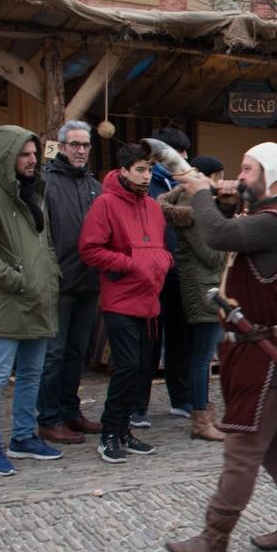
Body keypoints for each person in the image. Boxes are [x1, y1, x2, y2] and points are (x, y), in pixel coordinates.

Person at [166, 142, 277, 552]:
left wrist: (200, 189)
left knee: (242, 447)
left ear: (270, 174)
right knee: (275, 445)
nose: (241, 175)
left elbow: (218, 235)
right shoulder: (274, 217)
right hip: (261, 347)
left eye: (248, 170)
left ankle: (214, 537)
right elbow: (232, 230)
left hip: (266, 351)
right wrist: (227, 202)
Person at [0, 125, 63, 476]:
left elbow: (43, 243)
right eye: (24, 154)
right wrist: (16, 280)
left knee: (32, 373)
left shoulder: (33, 193)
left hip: (36, 298)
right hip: (7, 300)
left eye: (35, 153)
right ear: (7, 157)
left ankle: (23, 437)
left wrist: (49, 277)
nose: (33, 159)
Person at [79, 142, 173, 463]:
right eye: (140, 170)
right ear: (124, 171)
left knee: (143, 369)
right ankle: (109, 432)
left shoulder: (153, 207)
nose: (147, 176)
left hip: (149, 299)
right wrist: (131, 263)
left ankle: (123, 431)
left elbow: (157, 246)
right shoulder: (105, 204)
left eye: (149, 170)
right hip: (120, 299)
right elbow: (90, 249)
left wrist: (161, 261)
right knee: (127, 367)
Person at [36, 119, 104, 444]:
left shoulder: (95, 185)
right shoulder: (45, 183)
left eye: (85, 145)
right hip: (59, 283)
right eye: (74, 144)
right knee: (54, 353)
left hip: (89, 283)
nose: (80, 150)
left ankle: (70, 411)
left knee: (77, 352)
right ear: (61, 147)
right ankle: (48, 418)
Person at [157, 155, 228, 442]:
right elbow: (211, 255)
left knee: (201, 355)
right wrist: (231, 237)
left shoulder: (195, 205)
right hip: (203, 286)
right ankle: (200, 419)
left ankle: (205, 414)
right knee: (201, 358)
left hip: (204, 285)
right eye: (219, 177)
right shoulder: (193, 207)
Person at [139, 125, 195, 425]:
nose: (184, 160)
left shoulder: (187, 188)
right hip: (151, 276)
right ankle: (139, 404)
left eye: (185, 153)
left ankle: (181, 398)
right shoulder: (147, 186)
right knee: (148, 341)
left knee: (180, 340)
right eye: (178, 154)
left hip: (179, 273)